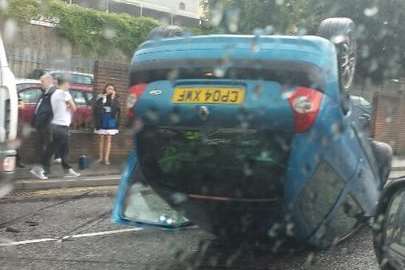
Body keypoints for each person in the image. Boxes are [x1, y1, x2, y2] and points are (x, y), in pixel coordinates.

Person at [42, 77, 80, 177]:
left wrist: (66, 106)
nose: (69, 86)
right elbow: (74, 108)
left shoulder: (54, 94)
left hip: (55, 125)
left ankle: (46, 168)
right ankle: (66, 170)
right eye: (68, 84)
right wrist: (69, 105)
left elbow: (61, 107)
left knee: (54, 147)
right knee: (63, 149)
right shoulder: (64, 93)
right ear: (64, 84)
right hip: (62, 126)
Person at [30, 74, 56, 180]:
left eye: (42, 81)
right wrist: (34, 121)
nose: (41, 83)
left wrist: (47, 121)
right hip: (40, 124)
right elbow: (39, 108)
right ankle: (38, 168)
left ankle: (45, 169)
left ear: (49, 81)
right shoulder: (45, 92)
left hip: (47, 125)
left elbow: (53, 109)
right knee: (39, 147)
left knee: (47, 147)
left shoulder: (53, 92)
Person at [93, 84, 120, 165]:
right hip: (102, 118)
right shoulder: (101, 97)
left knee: (109, 139)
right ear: (105, 89)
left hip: (110, 119)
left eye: (112, 89)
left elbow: (116, 110)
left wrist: (112, 99)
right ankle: (100, 158)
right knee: (101, 139)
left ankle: (106, 159)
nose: (110, 90)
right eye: (108, 88)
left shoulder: (115, 99)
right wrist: (103, 98)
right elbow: (96, 107)